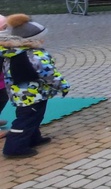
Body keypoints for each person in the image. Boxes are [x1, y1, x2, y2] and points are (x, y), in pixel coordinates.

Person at [1, 14, 70, 158]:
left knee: (34, 117)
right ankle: (14, 148)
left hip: (20, 93)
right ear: (30, 40)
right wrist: (62, 85)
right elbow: (49, 74)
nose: (43, 40)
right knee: (25, 120)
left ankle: (33, 138)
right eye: (40, 38)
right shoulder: (35, 55)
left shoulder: (12, 52)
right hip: (33, 94)